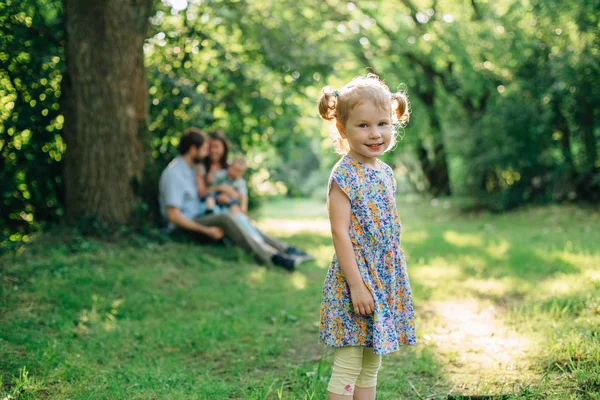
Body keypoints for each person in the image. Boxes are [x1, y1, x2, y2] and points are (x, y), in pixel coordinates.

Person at [317, 74, 416, 399]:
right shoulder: (344, 174)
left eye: (383, 124)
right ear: (342, 129)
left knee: (372, 364)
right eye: (363, 126)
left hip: (384, 277)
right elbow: (339, 233)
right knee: (348, 365)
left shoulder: (384, 171)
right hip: (355, 281)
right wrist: (357, 285)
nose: (375, 134)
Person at [159, 128, 311, 270]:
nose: (207, 153)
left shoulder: (192, 169)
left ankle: (286, 250)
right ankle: (272, 257)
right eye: (204, 149)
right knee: (226, 218)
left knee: (239, 218)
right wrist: (206, 230)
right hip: (184, 227)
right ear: (193, 149)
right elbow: (173, 216)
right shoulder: (175, 173)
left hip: (200, 216)